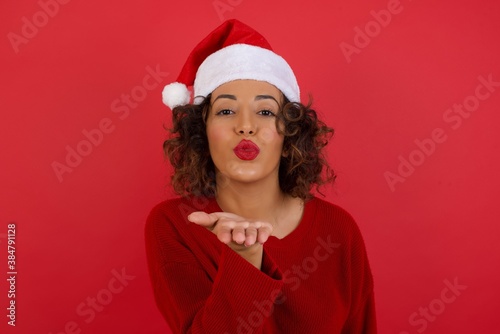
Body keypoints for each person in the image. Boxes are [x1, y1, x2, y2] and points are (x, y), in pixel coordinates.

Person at [145, 19, 376, 333]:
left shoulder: (339, 230)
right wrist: (244, 258)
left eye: (265, 112)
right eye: (226, 111)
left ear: (289, 134)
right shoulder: (174, 224)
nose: (246, 126)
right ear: (202, 133)